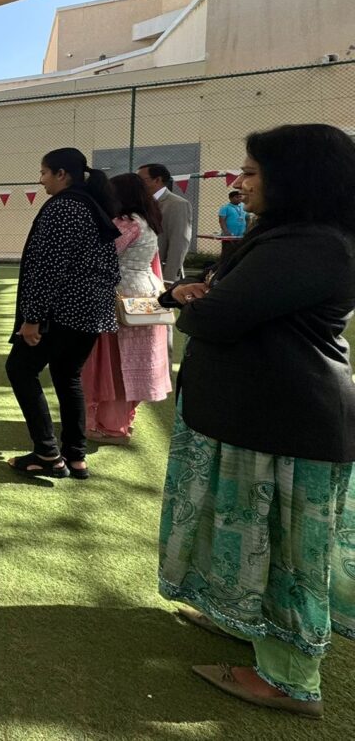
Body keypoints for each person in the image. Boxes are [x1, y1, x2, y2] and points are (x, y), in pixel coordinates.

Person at [155, 124, 355, 719]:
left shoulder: (312, 244)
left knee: (288, 553)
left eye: (252, 172)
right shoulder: (294, 237)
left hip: (287, 423)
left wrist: (199, 305)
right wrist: (201, 298)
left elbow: (219, 318)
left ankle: (291, 680)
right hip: (260, 418)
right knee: (250, 538)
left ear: (297, 179)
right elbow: (228, 302)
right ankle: (246, 620)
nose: (240, 184)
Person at [6, 148, 121, 481]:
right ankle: (75, 455)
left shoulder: (65, 208)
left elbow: (49, 267)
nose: (40, 180)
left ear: (62, 174)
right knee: (68, 376)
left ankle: (46, 453)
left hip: (63, 311)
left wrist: (32, 318)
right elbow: (109, 268)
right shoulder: (92, 207)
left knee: (19, 369)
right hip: (90, 312)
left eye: (44, 173)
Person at [80, 173, 171, 443]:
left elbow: (102, 253)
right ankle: (119, 420)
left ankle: (107, 423)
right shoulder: (148, 221)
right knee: (131, 363)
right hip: (146, 292)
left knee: (112, 363)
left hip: (120, 297)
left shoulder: (126, 223)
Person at [138, 163, 192, 285]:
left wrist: (170, 278)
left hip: (160, 272)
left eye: (140, 180)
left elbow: (179, 242)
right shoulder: (140, 202)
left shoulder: (177, 204)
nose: (136, 184)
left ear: (157, 180)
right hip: (141, 271)